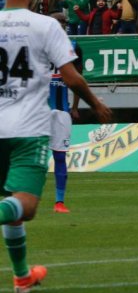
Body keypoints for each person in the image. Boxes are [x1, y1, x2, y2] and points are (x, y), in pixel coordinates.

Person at [0, 0, 111, 293]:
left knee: (12, 210)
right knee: (27, 206)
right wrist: (97, 104)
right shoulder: (45, 25)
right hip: (27, 130)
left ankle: (22, 277)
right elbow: (70, 74)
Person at [48, 12, 83, 213]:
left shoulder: (74, 46)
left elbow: (79, 78)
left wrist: (76, 106)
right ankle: (18, 198)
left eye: (63, 23)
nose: (61, 26)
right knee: (26, 156)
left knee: (60, 156)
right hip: (38, 110)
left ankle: (59, 202)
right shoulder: (37, 44)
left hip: (61, 110)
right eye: (57, 22)